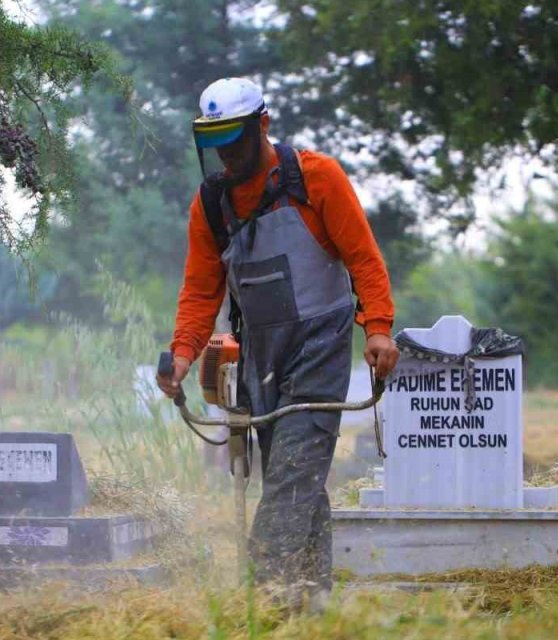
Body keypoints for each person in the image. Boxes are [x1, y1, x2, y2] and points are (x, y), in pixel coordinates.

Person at [155, 77, 400, 604]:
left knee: (290, 476)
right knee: (297, 481)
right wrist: (181, 355)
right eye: (215, 143)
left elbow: (363, 258)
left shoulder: (316, 178)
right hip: (259, 356)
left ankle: (262, 603)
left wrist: (378, 327)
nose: (226, 154)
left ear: (262, 125)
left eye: (235, 140)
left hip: (319, 346)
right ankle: (310, 604)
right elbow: (200, 290)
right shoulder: (212, 205)